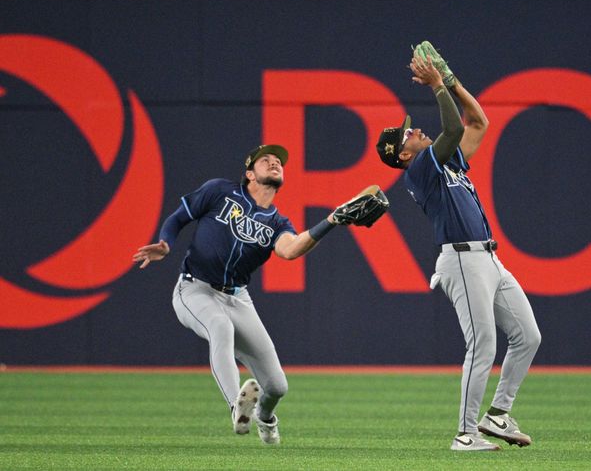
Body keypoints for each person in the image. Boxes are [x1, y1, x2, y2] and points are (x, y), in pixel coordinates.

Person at [133, 144, 360, 444]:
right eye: (266, 160)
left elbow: (290, 249)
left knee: (277, 386)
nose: (275, 163)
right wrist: (165, 243)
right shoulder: (219, 192)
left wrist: (331, 221)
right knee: (220, 326)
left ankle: (265, 419)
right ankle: (235, 406)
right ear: (249, 173)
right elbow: (178, 218)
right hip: (194, 289)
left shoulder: (277, 223)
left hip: (238, 298)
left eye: (279, 161)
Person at [375, 41, 542, 451]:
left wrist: (450, 81)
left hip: (489, 258)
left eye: (411, 126)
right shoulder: (420, 170)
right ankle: (465, 434)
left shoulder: (446, 160)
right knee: (482, 344)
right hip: (461, 260)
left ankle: (498, 415)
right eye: (406, 133)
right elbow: (452, 129)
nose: (414, 129)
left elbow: (478, 122)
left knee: (528, 336)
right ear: (400, 154)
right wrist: (435, 87)